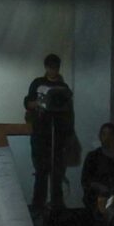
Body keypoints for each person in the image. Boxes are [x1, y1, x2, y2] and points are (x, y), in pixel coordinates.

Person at [24, 54, 76, 214]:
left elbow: (68, 112)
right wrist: (40, 103)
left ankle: (57, 206)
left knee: (57, 172)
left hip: (58, 134)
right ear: (46, 67)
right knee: (41, 171)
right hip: (41, 132)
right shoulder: (37, 83)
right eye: (51, 67)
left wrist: (69, 136)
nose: (53, 70)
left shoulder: (64, 87)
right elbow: (27, 103)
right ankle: (38, 206)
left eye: (56, 67)